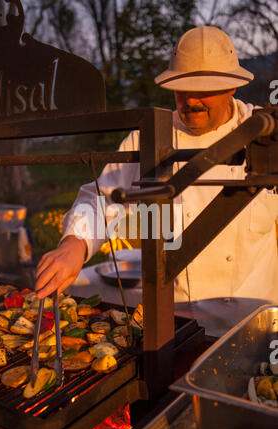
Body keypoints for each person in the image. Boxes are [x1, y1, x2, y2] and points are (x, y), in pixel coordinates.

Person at [35, 26, 278, 321]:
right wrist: (75, 243)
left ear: (232, 88)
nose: (191, 100)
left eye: (205, 90)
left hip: (253, 322)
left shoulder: (265, 137)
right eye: (182, 89)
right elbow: (104, 198)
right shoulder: (148, 139)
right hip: (177, 323)